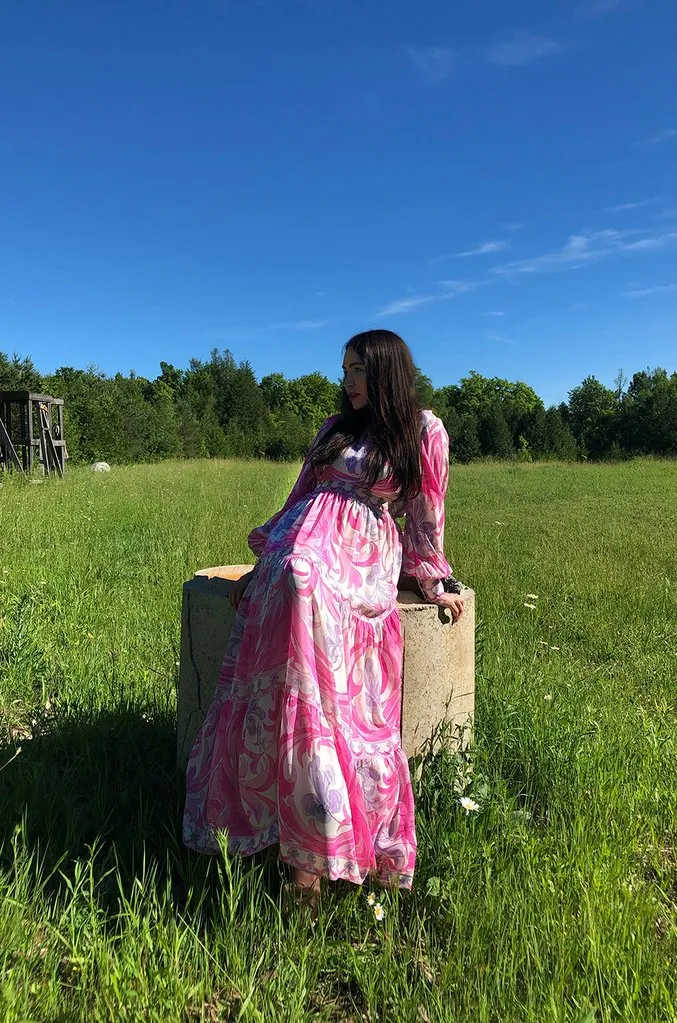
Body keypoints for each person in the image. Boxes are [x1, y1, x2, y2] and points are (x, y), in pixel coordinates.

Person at [182, 329, 464, 915]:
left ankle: (313, 854)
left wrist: (435, 578)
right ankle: (295, 844)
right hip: (305, 537)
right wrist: (263, 568)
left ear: (385, 371)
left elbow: (426, 513)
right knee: (295, 575)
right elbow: (298, 496)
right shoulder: (334, 431)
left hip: (363, 544)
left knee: (307, 582)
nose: (347, 380)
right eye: (344, 369)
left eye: (357, 369)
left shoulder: (423, 430)